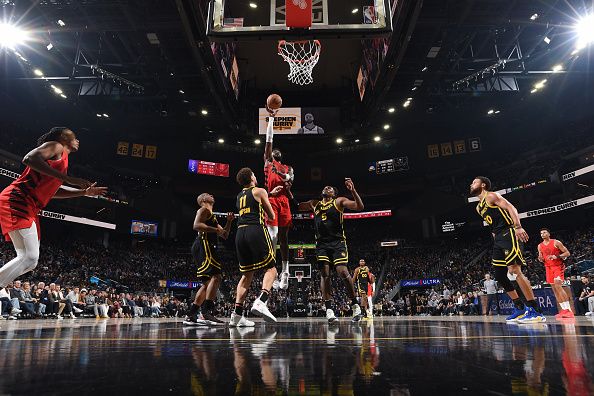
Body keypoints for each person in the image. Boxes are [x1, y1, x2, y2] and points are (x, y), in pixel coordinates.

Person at [0, 127, 107, 288]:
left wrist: (84, 192)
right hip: (19, 199)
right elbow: (29, 158)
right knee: (29, 257)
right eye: (73, 136)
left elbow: (53, 191)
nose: (77, 140)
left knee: (30, 261)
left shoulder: (62, 160)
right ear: (62, 137)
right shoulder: (56, 146)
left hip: (29, 204)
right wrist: (68, 178)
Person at [470, 176, 545, 323]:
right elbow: (492, 225)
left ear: (483, 185)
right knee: (500, 276)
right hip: (498, 238)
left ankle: (535, 310)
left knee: (515, 270)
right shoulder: (478, 207)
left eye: (474, 182)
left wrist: (517, 227)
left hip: (509, 232)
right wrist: (495, 239)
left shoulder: (492, 196)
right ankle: (519, 308)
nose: (471, 185)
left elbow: (511, 208)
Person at [297, 179, 364, 323]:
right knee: (324, 274)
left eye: (331, 188)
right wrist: (287, 190)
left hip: (337, 242)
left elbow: (359, 206)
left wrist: (352, 190)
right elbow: (296, 206)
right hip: (321, 244)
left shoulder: (339, 202)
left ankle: (355, 305)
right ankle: (329, 309)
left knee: (343, 272)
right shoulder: (314, 204)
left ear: (334, 194)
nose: (328, 187)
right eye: (326, 187)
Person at [231, 167, 278, 327]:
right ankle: (261, 301)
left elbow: (253, 200)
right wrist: (268, 197)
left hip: (240, 234)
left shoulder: (239, 196)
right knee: (271, 269)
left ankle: (236, 316)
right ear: (251, 177)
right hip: (255, 230)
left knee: (246, 275)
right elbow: (271, 215)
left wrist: (268, 195)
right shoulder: (260, 191)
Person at [185, 193, 234, 326]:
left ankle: (191, 314)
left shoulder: (212, 216)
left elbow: (224, 234)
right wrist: (215, 230)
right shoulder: (204, 210)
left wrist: (229, 221)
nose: (211, 195)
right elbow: (196, 225)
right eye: (208, 194)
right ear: (203, 200)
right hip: (204, 244)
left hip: (204, 245)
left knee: (207, 283)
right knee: (216, 277)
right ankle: (206, 312)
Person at [263, 111, 294, 290]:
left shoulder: (288, 168)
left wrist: (285, 178)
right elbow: (268, 140)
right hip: (272, 199)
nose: (275, 150)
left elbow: (290, 180)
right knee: (273, 236)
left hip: (284, 201)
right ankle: (272, 271)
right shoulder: (268, 162)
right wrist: (272, 120)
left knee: (283, 237)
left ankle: (285, 271)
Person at [537, 228, 573, 319]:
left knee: (558, 286)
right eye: (541, 233)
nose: (542, 234)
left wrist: (556, 256)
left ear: (549, 233)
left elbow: (567, 253)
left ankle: (569, 310)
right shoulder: (540, 246)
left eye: (544, 232)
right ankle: (563, 310)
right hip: (548, 268)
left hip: (558, 267)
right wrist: (540, 259)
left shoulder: (556, 242)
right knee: (554, 289)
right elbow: (541, 257)